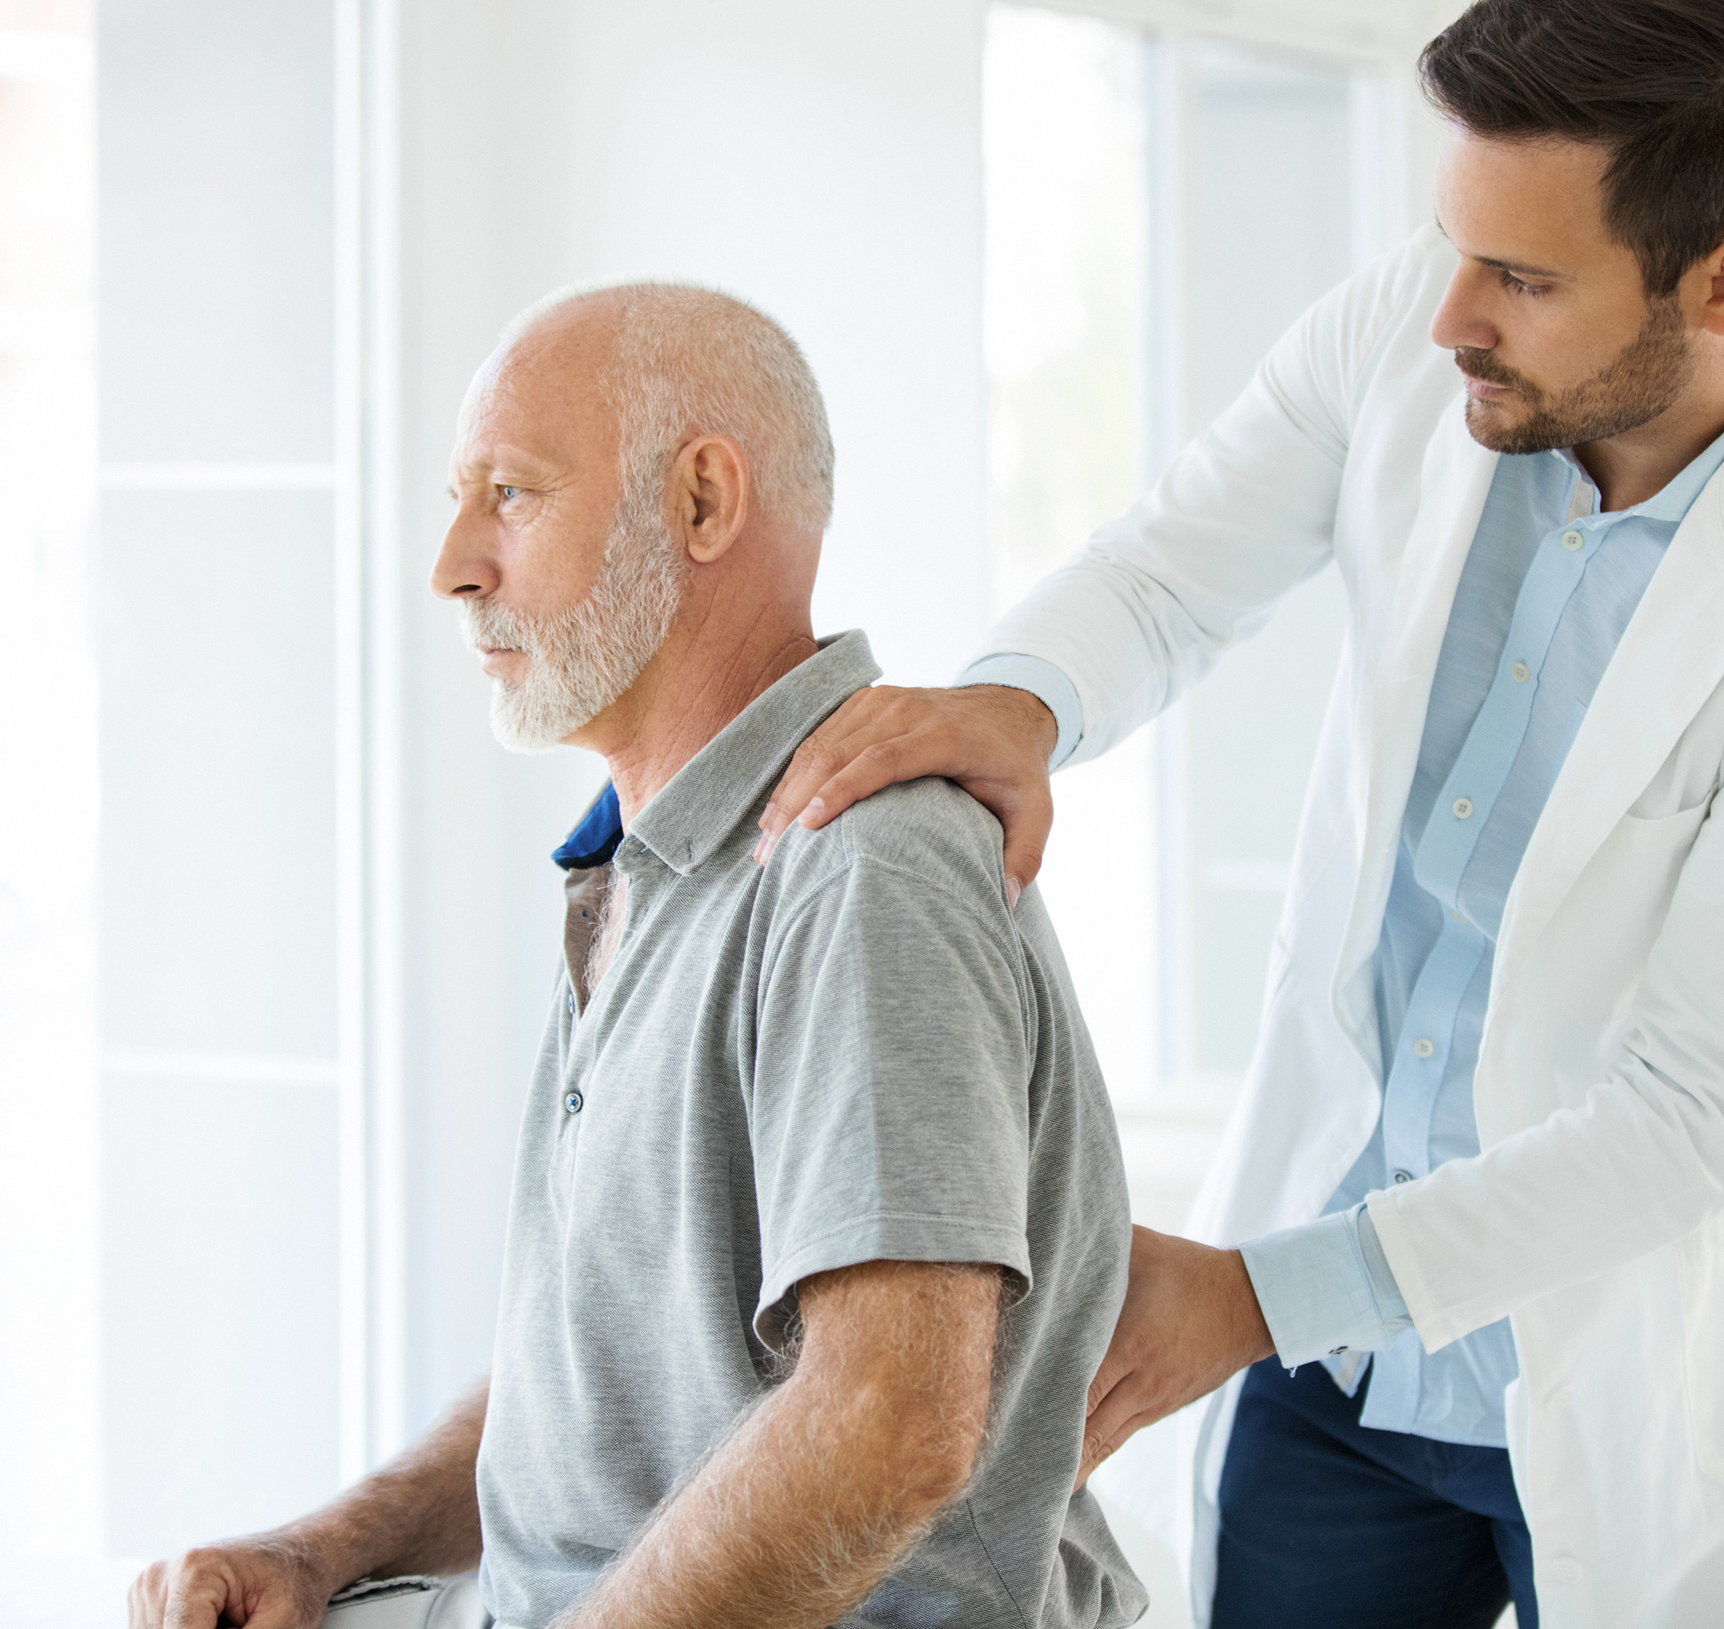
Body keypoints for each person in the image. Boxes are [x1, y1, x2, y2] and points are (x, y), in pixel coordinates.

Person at [755, 1, 1724, 1624]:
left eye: (1525, 279)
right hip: (1337, 1372)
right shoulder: (1429, 332)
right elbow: (1165, 573)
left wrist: (1259, 1295)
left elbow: (1698, 1108)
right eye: (1452, 244)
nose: (1450, 316)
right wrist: (1020, 701)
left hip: (1626, 1379)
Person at [126, 283, 1144, 1629]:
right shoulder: (651, 861)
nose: (452, 562)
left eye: (511, 494)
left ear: (704, 504)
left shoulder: (861, 865)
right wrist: (325, 1551)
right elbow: (613, 1392)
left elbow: (889, 1424)